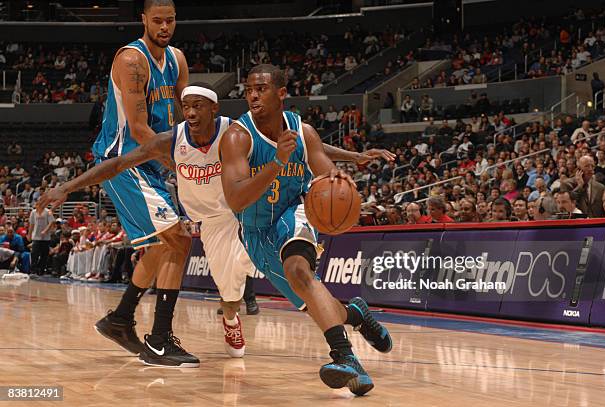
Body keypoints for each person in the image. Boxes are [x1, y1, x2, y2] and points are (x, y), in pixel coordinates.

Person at [39, 82, 394, 364]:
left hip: (249, 215)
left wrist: (355, 156)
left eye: (197, 106)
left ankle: (348, 320)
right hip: (213, 225)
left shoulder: (235, 134)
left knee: (302, 294)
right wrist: (67, 187)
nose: (190, 112)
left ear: (213, 109)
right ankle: (243, 318)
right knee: (229, 291)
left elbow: (301, 143)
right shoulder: (170, 141)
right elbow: (118, 164)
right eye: (185, 107)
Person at [219, 64, 392, 396]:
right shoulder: (238, 137)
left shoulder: (304, 132)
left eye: (261, 88)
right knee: (313, 301)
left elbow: (328, 177)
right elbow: (236, 199)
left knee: (298, 270)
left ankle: (345, 358)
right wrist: (276, 163)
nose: (253, 94)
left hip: (294, 210)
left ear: (281, 93)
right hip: (255, 231)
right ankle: (355, 313)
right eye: (249, 89)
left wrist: (341, 183)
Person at [86, 0, 195, 367]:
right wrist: (183, 166)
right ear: (144, 20)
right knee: (178, 240)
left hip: (150, 163)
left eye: (171, 20)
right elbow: (139, 130)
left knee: (161, 248)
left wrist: (200, 148)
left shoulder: (177, 59)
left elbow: (183, 114)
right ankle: (160, 340)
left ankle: (119, 320)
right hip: (123, 162)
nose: (165, 27)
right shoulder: (131, 61)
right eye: (158, 20)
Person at [28, 207, 55, 275]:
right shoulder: (33, 212)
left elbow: (51, 222)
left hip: (45, 238)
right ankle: (33, 271)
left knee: (44, 255)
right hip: (36, 237)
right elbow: (31, 224)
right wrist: (29, 234)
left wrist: (45, 230)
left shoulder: (48, 211)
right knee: (34, 254)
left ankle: (41, 270)